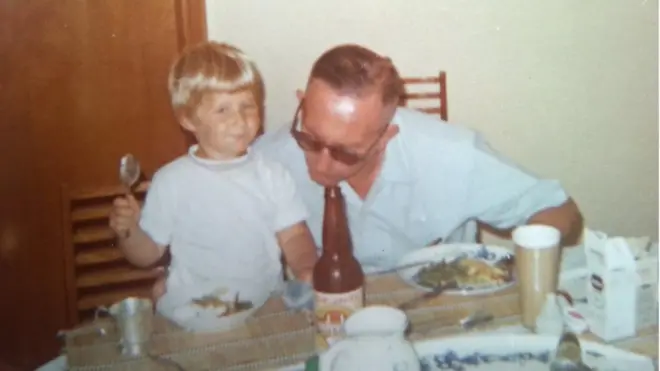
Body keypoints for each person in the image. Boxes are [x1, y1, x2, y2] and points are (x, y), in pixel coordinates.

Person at [254, 44, 582, 272]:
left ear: (387, 136)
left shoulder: (449, 154)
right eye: (309, 139)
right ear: (302, 103)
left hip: (438, 310)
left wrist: (514, 269)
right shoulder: (264, 161)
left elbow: (558, 210)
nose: (321, 167)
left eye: (345, 153)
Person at [108, 41, 318, 326]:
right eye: (223, 110)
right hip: (192, 318)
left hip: (264, 312)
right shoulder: (171, 181)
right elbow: (147, 255)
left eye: (247, 106)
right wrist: (129, 232)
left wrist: (306, 267)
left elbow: (294, 236)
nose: (240, 120)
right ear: (188, 119)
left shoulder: (272, 174)